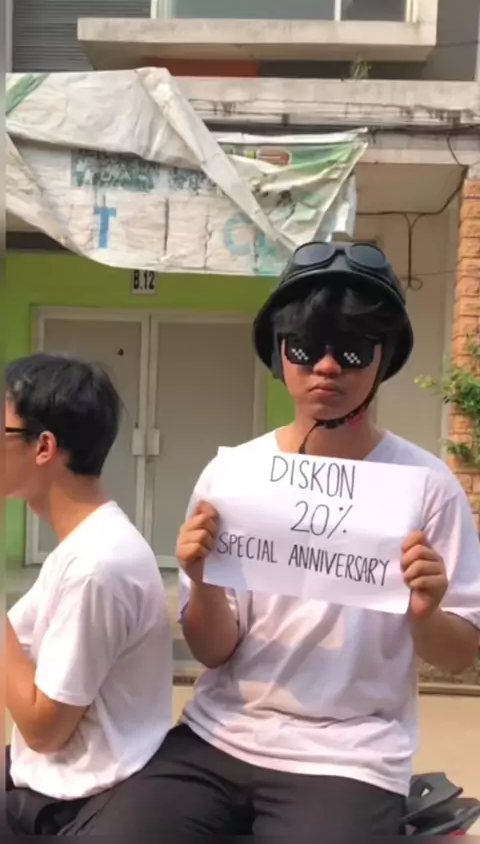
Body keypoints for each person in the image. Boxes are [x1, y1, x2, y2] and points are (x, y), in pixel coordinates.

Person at [68, 242, 480, 840]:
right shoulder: (233, 476)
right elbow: (213, 652)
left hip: (350, 756)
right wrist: (203, 581)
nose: (327, 367)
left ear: (384, 357)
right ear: (280, 354)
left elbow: (459, 654)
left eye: (353, 350)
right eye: (306, 348)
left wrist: (425, 612)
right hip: (218, 734)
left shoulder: (427, 487)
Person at [3, 353, 172, 835]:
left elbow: (43, 730)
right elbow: (18, 641)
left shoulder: (96, 566)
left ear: (44, 447)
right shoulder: (84, 545)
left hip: (70, 801)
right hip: (55, 780)